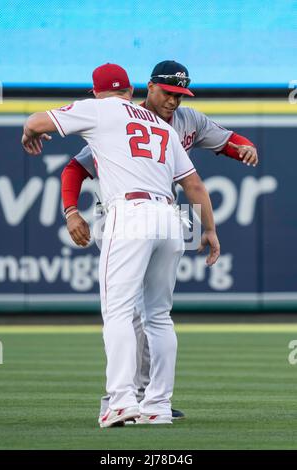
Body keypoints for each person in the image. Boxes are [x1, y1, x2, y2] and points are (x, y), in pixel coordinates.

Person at [21, 63, 220, 428]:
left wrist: (28, 133)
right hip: (169, 218)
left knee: (118, 313)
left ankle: (122, 400)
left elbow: (36, 121)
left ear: (96, 92)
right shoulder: (162, 125)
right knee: (159, 316)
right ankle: (158, 405)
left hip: (130, 213)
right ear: (130, 90)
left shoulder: (98, 108)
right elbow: (194, 186)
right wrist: (210, 229)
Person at [61, 60, 259, 421]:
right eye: (168, 93)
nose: (174, 101)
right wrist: (71, 211)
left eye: (180, 95)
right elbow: (76, 168)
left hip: (152, 216)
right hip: (130, 215)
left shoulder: (186, 121)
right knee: (140, 313)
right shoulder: (119, 116)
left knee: (147, 313)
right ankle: (136, 399)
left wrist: (245, 146)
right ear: (148, 87)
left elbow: (230, 142)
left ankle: (146, 400)